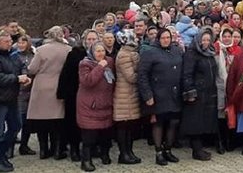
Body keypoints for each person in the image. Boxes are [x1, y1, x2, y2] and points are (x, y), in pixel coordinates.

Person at [0, 31, 30, 173]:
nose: (10, 43)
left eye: (10, 41)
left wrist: (25, 76)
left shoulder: (12, 54)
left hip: (11, 98)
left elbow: (20, 66)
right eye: (7, 41)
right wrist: (16, 79)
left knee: (16, 126)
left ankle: (1, 153)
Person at [138, 28, 183, 166]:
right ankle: (158, 152)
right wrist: (147, 95)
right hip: (158, 94)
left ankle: (168, 149)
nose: (166, 40)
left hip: (175, 94)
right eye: (163, 38)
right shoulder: (150, 52)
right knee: (159, 123)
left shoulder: (176, 50)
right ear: (158, 39)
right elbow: (142, 75)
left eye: (168, 37)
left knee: (173, 122)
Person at [26, 26, 72, 160]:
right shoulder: (68, 50)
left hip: (42, 86)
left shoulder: (41, 50)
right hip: (59, 85)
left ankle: (43, 150)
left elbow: (32, 69)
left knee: (42, 121)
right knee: (57, 121)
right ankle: (57, 150)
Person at [57, 29, 99, 163]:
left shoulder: (100, 54)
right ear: (84, 40)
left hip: (93, 95)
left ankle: (91, 147)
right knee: (73, 122)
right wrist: (62, 93)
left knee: (91, 123)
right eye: (89, 39)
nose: (91, 42)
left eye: (94, 39)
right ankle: (74, 148)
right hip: (74, 93)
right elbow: (65, 74)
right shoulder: (75, 54)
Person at [180, 27, 219, 161]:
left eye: (208, 39)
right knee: (195, 122)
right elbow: (187, 74)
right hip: (197, 92)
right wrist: (190, 92)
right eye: (204, 39)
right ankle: (196, 150)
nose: (206, 42)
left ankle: (200, 147)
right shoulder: (192, 53)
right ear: (198, 39)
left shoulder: (210, 53)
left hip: (208, 93)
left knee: (203, 121)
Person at [77, 41, 116, 172]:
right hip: (90, 105)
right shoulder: (85, 64)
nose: (101, 54)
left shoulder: (109, 62)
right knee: (89, 136)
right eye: (98, 51)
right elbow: (88, 81)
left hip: (105, 103)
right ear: (92, 52)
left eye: (103, 51)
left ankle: (105, 154)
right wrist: (100, 67)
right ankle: (86, 160)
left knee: (105, 133)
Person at [113, 30, 142, 165]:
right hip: (124, 95)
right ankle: (123, 153)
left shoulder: (130, 53)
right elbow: (130, 77)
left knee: (130, 126)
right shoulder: (124, 55)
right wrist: (141, 75)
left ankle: (129, 152)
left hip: (130, 94)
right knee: (123, 126)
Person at [214, 27, 241, 154]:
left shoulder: (237, 50)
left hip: (233, 87)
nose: (226, 38)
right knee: (220, 115)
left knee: (231, 113)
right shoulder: (215, 49)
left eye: (229, 36)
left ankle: (230, 140)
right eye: (224, 36)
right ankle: (220, 142)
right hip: (219, 86)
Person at [13, 35, 36, 156]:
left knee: (28, 122)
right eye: (19, 43)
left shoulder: (33, 55)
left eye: (23, 43)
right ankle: (9, 147)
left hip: (31, 91)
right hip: (18, 92)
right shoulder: (14, 56)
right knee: (17, 121)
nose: (21, 45)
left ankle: (24, 145)